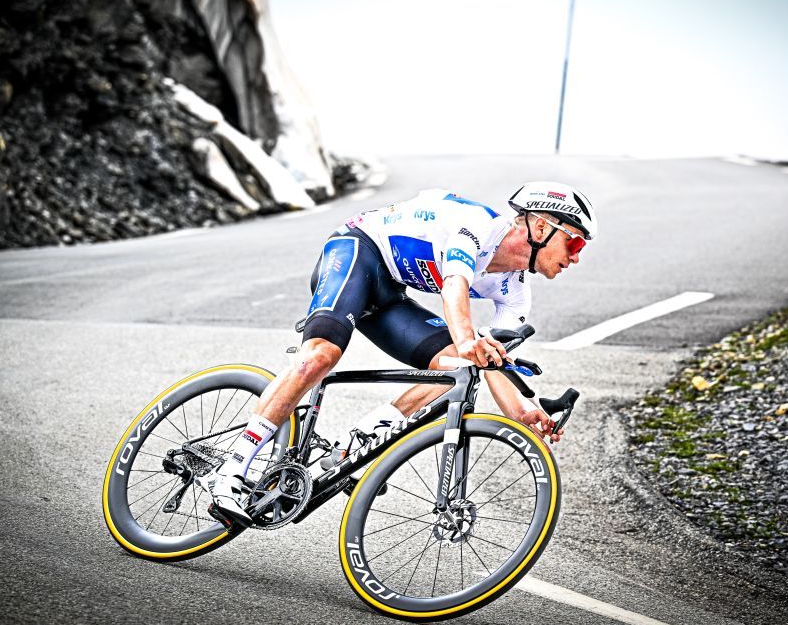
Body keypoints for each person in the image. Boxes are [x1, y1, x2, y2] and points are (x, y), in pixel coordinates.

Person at [207, 182, 597, 526]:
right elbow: (454, 285)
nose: (577, 257)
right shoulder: (477, 225)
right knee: (319, 357)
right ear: (541, 227)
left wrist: (525, 413)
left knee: (462, 373)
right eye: (575, 242)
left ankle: (355, 444)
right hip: (356, 251)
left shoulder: (516, 293)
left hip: (389, 293)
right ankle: (231, 469)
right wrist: (465, 339)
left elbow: (491, 362)